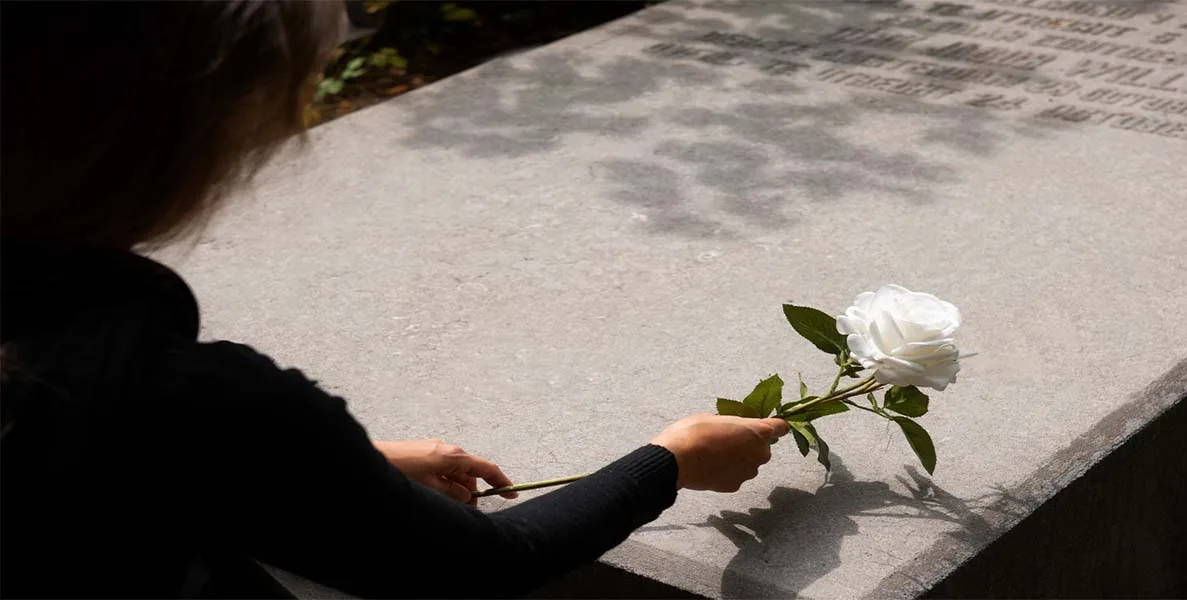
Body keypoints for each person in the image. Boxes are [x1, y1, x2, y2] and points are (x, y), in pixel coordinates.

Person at [0, 2, 790, 598]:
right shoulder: (194, 395)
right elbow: (482, 568)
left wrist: (343, 467)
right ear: (187, 135)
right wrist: (671, 462)